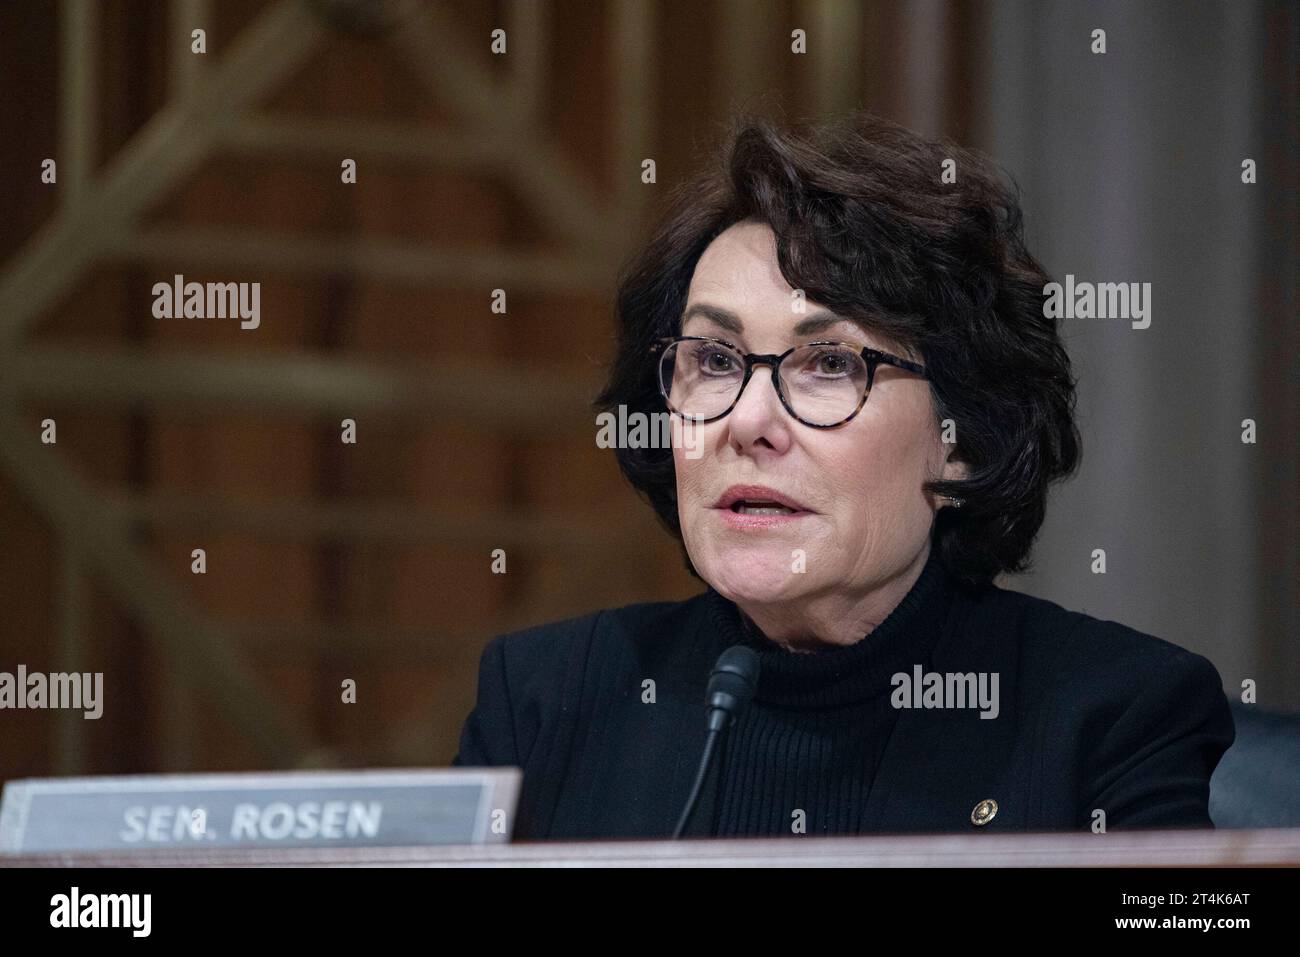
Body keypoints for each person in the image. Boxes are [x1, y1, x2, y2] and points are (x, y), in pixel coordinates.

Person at [451, 110, 1235, 841]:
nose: (748, 420)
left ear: (962, 437)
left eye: (829, 363)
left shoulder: (1112, 716)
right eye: (715, 360)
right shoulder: (546, 702)